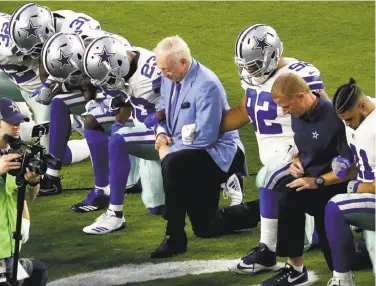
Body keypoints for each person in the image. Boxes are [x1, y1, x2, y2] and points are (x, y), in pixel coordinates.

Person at [220, 24, 328, 274]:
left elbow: (326, 116)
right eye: (245, 65)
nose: (248, 70)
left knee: (269, 178)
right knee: (267, 178)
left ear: (271, 56)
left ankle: (268, 250)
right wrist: (206, 130)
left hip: (302, 163)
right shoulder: (254, 79)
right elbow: (243, 112)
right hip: (280, 166)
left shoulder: (300, 75)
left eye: (254, 64)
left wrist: (306, 153)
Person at [150, 35, 247, 259]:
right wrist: (162, 133)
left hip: (217, 153)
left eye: (166, 69)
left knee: (172, 164)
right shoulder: (169, 77)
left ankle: (174, 236)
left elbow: (207, 137)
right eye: (161, 69)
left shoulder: (207, 85)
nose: (163, 74)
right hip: (190, 150)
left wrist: (168, 152)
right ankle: (263, 209)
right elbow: (163, 111)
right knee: (206, 227)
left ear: (183, 62)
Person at [260, 73, 355, 286]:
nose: (285, 112)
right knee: (286, 196)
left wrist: (318, 181)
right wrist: (297, 160)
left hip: (334, 186)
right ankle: (295, 269)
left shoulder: (335, 118)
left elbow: (350, 169)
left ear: (302, 96)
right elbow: (301, 146)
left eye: (286, 106)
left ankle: (355, 257)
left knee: (337, 259)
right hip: (310, 182)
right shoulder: (297, 114)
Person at [325, 78, 375, 286]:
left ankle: (343, 280)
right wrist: (346, 167)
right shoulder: (360, 119)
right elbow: (364, 165)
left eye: (349, 119)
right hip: (369, 198)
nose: (347, 124)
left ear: (362, 106)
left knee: (335, 207)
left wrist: (356, 186)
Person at [0, 97, 47, 286]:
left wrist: (32, 182)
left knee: (37, 272)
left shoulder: (11, 155)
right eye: (11, 122)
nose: (16, 126)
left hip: (7, 249)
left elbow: (22, 195)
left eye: (18, 122)